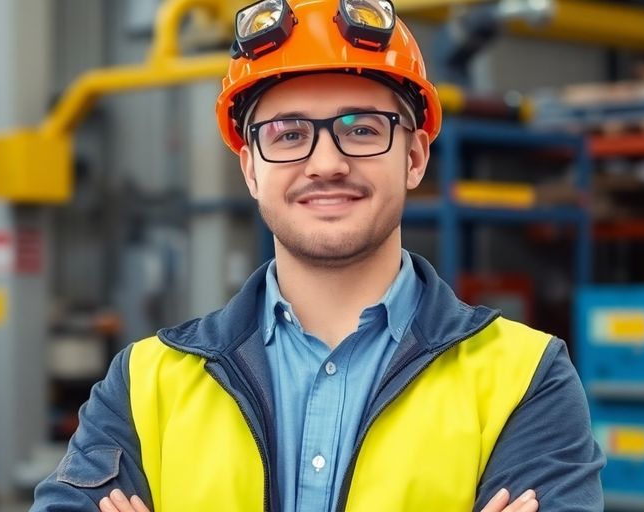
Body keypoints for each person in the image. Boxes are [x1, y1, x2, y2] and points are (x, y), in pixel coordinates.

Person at [31, 0, 604, 510]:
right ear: (250, 167)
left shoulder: (527, 378)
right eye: (287, 133)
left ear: (415, 157)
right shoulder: (143, 383)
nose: (326, 163)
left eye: (360, 129)